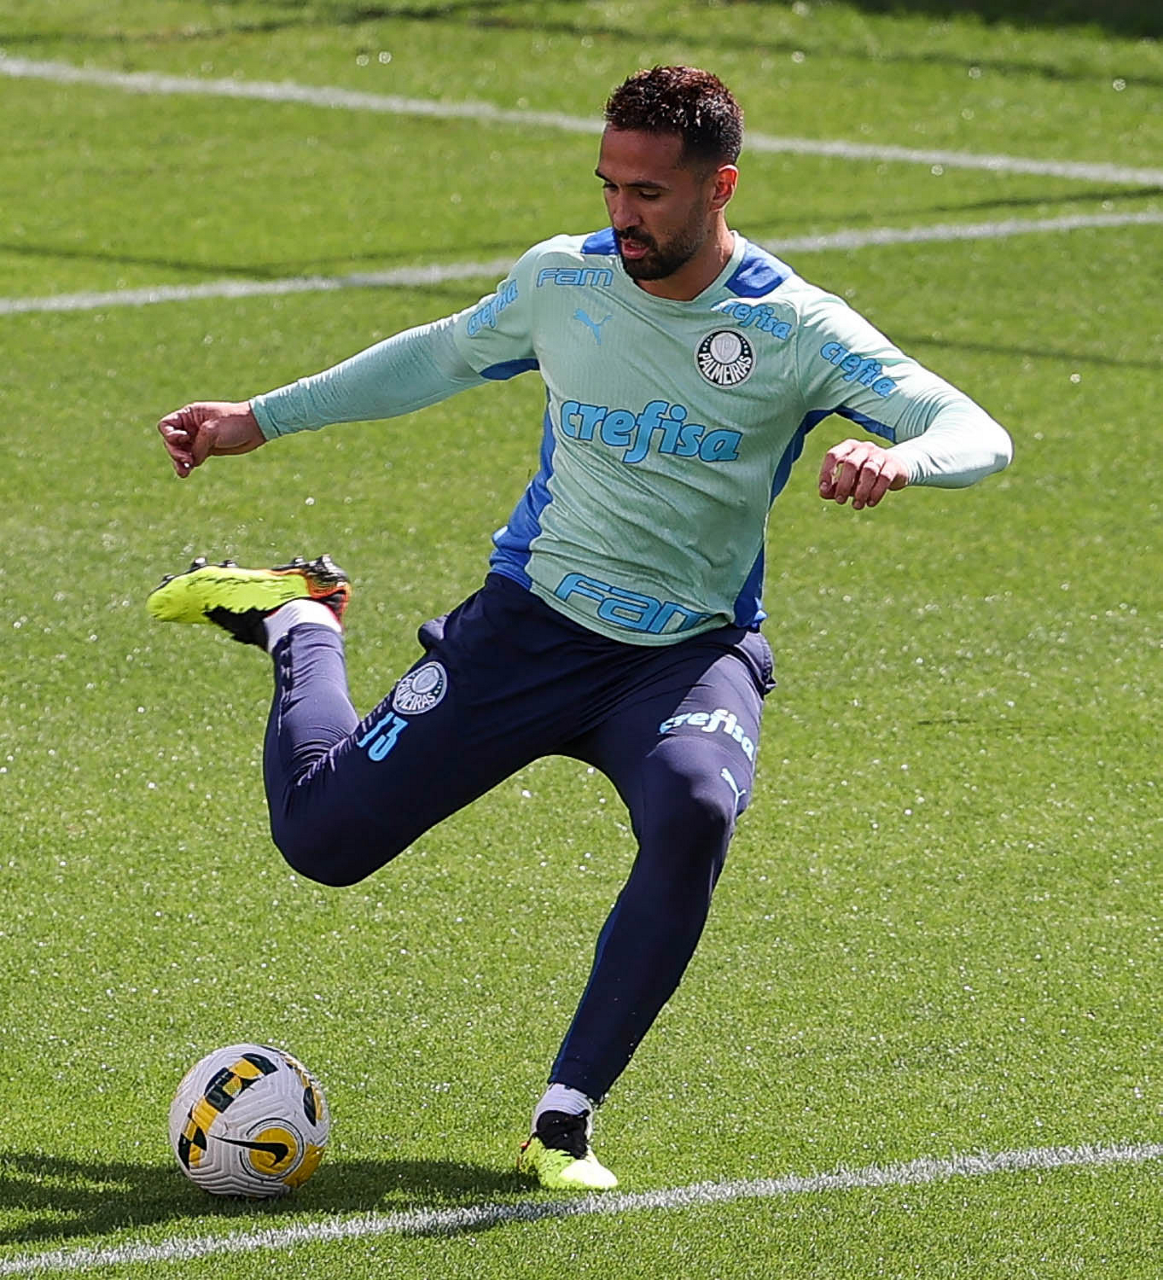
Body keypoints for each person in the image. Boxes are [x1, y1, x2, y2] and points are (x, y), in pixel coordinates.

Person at [149, 66, 1013, 1190]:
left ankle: (563, 1118)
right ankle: (299, 619)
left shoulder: (792, 326)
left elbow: (973, 428)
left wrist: (901, 456)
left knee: (694, 807)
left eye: (648, 193)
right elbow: (439, 354)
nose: (621, 214)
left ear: (719, 188)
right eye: (608, 185)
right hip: (528, 630)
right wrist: (260, 419)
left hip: (682, 654)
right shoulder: (563, 279)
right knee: (322, 843)